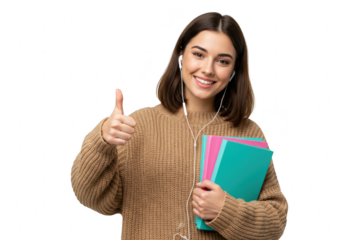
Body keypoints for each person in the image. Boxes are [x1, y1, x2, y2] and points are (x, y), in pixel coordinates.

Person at [70, 11, 289, 239]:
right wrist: (102, 139)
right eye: (199, 54)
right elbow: (92, 199)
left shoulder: (249, 132)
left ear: (234, 71)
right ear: (181, 55)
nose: (208, 69)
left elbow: (275, 223)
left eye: (222, 61)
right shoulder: (136, 126)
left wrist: (226, 211)